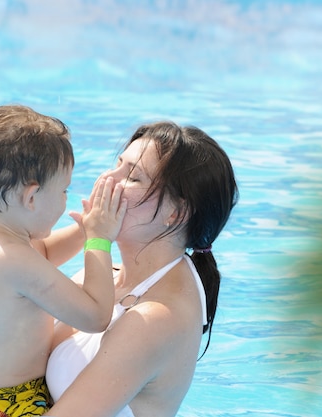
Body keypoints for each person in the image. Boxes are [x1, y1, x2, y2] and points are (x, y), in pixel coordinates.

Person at [44, 121, 238, 417]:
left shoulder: (154, 320)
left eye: (132, 177)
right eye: (118, 165)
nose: (109, 179)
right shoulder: (108, 276)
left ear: (175, 213)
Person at [0, 104, 127, 417]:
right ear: (31, 198)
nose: (66, 200)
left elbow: (41, 254)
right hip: (10, 408)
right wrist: (100, 240)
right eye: (64, 191)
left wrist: (84, 229)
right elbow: (96, 316)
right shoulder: (12, 261)